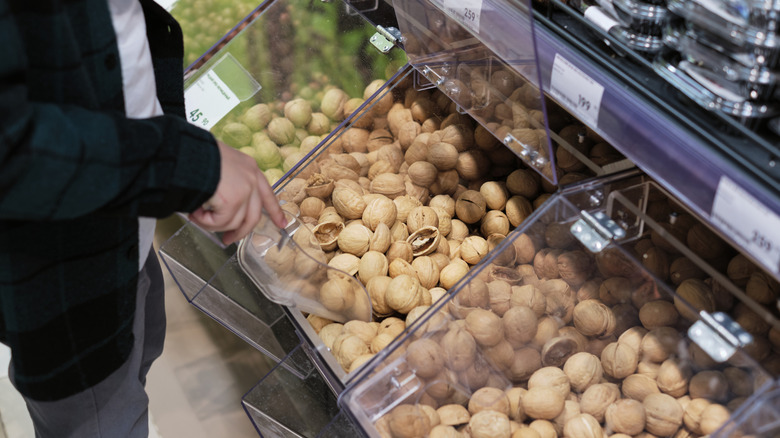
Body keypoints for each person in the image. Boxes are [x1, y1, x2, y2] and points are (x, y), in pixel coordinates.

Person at [0, 0, 286, 437]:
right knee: (104, 418)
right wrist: (185, 165)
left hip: (121, 227)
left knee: (139, 351)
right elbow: (14, 151)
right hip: (64, 275)